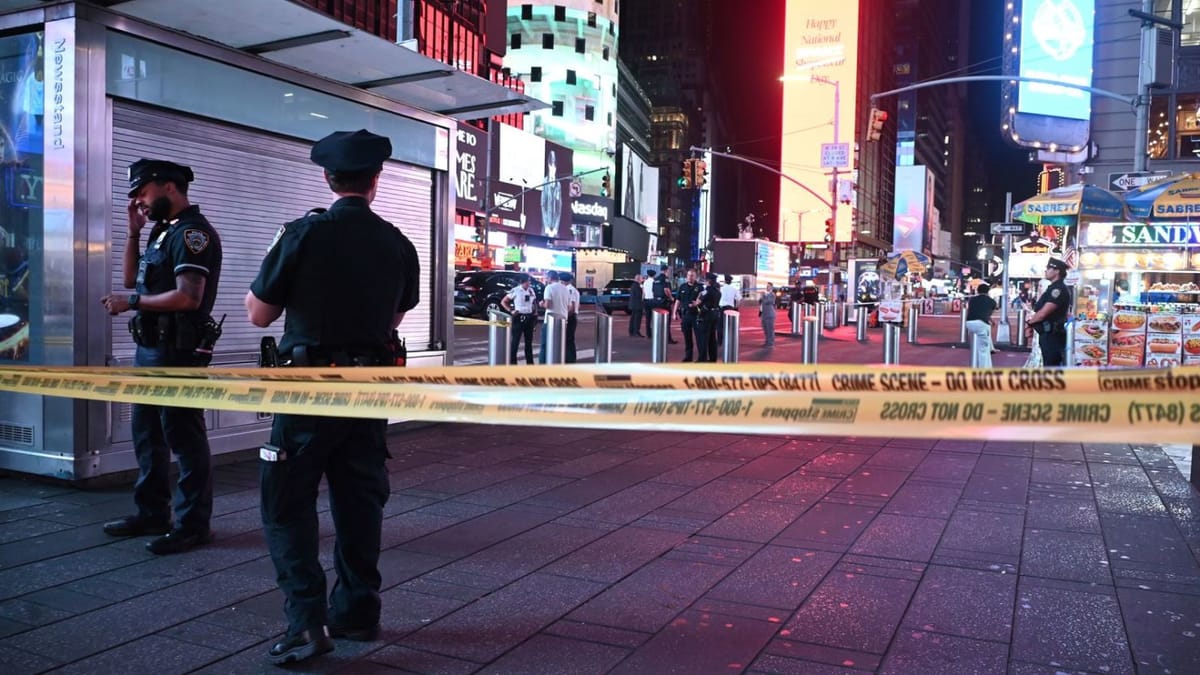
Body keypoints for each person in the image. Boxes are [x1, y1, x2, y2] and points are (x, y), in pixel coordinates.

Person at [244, 129, 420, 665]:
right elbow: (394, 319)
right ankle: (358, 614)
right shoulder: (398, 242)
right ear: (376, 180)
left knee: (287, 504)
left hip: (307, 393)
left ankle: (306, 623)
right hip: (368, 393)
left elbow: (259, 313)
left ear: (327, 177)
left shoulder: (302, 233)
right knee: (360, 503)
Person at [99, 158, 222, 556]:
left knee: (184, 438)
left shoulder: (192, 234)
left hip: (178, 352)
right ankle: (152, 513)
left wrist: (132, 301)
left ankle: (192, 524)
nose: (137, 201)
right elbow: (128, 280)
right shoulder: (159, 233)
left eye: (142, 192)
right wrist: (134, 234)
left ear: (169, 187)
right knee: (148, 436)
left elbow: (189, 296)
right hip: (151, 348)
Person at [1024, 258, 1072, 367]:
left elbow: (1043, 314)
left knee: (1051, 366)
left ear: (1057, 271)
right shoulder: (1053, 288)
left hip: (1053, 335)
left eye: (1048, 268)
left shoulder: (1058, 290)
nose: (1046, 270)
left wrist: (1029, 324)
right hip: (1048, 334)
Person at [501, 274, 537, 364]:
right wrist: (511, 310)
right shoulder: (516, 290)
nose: (529, 282)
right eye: (528, 281)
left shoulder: (531, 290)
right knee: (515, 342)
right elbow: (503, 301)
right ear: (523, 282)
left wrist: (535, 312)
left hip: (529, 318)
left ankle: (530, 363)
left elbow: (534, 302)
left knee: (528, 342)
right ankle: (512, 363)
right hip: (519, 317)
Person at [540, 270, 569, 363]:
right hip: (563, 319)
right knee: (559, 344)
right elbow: (568, 305)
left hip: (550, 320)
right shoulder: (565, 288)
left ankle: (543, 366)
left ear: (550, 278)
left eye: (546, 278)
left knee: (545, 345)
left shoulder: (549, 287)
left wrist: (541, 304)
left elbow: (548, 305)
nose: (546, 279)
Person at [965, 282, 997, 367]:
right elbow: (988, 313)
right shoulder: (991, 301)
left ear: (978, 291)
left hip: (969, 323)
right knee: (983, 349)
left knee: (985, 331)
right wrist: (991, 320)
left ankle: (991, 347)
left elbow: (973, 311)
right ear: (988, 291)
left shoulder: (972, 299)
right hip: (981, 325)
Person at [674, 269, 702, 362]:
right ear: (687, 276)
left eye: (692, 275)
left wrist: (696, 303)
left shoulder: (700, 287)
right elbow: (678, 300)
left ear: (696, 277)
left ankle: (701, 358)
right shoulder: (682, 287)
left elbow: (703, 299)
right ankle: (688, 357)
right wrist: (674, 312)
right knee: (687, 337)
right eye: (689, 275)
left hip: (696, 315)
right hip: (685, 315)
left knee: (699, 338)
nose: (690, 277)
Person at [697, 272, 723, 362]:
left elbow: (698, 301)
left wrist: (694, 303)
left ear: (708, 281)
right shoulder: (718, 292)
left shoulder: (706, 291)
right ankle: (713, 358)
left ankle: (702, 359)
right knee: (712, 337)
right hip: (715, 314)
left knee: (704, 338)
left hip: (707, 315)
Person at [540, 151, 561, 238]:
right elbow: (543, 205)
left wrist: (555, 228)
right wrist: (547, 227)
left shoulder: (558, 184)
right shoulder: (545, 181)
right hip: (545, 228)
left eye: (554, 166)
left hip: (555, 230)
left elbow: (559, 208)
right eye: (551, 165)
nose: (553, 168)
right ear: (548, 166)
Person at [562, 272, 580, 363]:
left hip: (570, 316)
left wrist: (566, 317)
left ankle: (570, 359)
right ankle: (570, 358)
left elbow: (572, 307)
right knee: (569, 339)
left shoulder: (569, 290)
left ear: (562, 281)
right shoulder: (573, 289)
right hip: (572, 316)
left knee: (568, 339)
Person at [717, 274, 739, 345]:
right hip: (730, 308)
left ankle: (720, 341)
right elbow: (739, 299)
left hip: (721, 308)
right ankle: (729, 341)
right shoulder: (734, 289)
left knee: (720, 325)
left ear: (725, 281)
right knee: (729, 325)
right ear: (730, 281)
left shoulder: (721, 288)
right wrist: (736, 307)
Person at [760, 282, 777, 347]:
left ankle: (771, 342)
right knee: (765, 329)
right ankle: (767, 341)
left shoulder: (772, 294)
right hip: (764, 314)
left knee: (770, 329)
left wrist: (764, 296)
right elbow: (761, 302)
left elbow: (768, 302)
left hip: (770, 314)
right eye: (767, 286)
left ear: (771, 287)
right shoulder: (765, 295)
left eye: (769, 286)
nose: (767, 287)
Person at [642, 269, 657, 337]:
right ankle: (654, 332)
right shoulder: (654, 282)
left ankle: (648, 333)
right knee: (654, 318)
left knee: (648, 318)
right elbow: (654, 291)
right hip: (653, 301)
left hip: (646, 300)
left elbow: (643, 292)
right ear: (654, 275)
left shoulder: (645, 282)